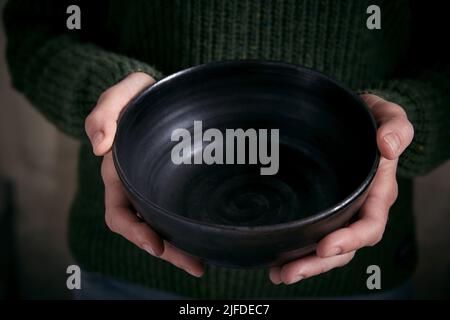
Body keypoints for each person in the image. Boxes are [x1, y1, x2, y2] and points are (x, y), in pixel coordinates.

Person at [4, 0, 449, 299]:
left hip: (358, 282)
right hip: (130, 273)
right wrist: (112, 100)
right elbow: (38, 27)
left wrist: (406, 121)